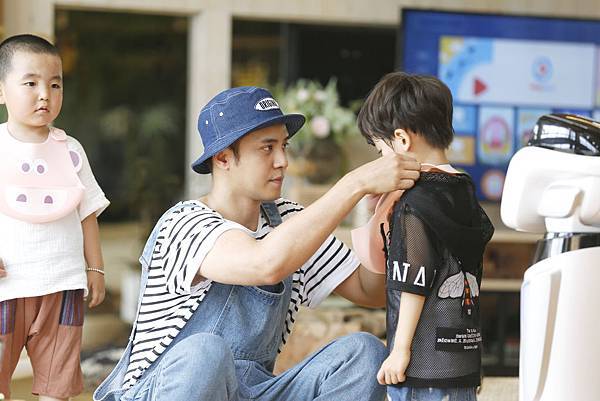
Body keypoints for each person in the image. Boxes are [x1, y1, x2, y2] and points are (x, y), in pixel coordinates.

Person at [94, 85, 420, 401]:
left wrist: (386, 216)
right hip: (163, 391)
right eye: (267, 148)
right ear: (223, 158)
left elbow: (369, 291)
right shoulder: (184, 223)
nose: (282, 161)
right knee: (206, 352)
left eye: (284, 146)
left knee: (364, 354)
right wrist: (354, 184)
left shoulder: (289, 219)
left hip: (252, 391)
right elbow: (264, 263)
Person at [354, 72, 494, 401]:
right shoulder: (462, 190)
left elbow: (413, 281)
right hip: (461, 361)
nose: (382, 160)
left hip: (422, 367)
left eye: (381, 150)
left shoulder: (414, 204)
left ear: (402, 140)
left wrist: (400, 350)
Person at [0, 34, 110, 401]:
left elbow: (87, 212)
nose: (45, 94)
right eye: (30, 83)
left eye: (55, 84)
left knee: (58, 386)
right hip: (6, 287)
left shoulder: (71, 149)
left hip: (63, 285)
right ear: (1, 91)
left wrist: (95, 268)